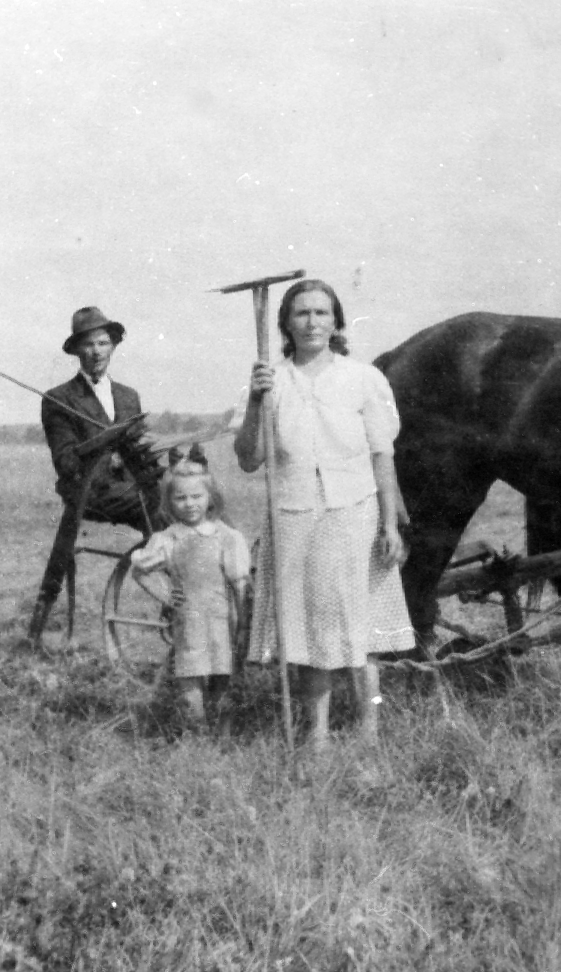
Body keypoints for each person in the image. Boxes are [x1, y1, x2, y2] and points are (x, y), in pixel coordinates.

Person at [233, 278, 414, 751]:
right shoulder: (271, 381)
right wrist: (256, 400)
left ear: (336, 321)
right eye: (301, 314)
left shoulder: (362, 378)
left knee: (360, 630)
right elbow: (249, 457)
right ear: (285, 325)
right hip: (294, 516)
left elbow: (382, 455)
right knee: (310, 633)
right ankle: (317, 735)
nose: (312, 322)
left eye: (321, 313)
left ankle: (369, 731)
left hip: (353, 514)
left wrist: (390, 524)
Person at [28, 306, 158, 648]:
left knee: (184, 496)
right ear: (76, 351)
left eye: (103, 343)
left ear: (113, 345)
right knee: (161, 511)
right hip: (90, 493)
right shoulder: (59, 400)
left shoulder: (129, 396)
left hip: (131, 487)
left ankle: (183, 578)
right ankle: (174, 582)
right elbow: (66, 462)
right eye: (88, 344)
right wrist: (108, 438)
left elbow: (138, 454)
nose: (97, 351)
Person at [128, 458, 252, 727]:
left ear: (210, 497)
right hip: (189, 621)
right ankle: (197, 732)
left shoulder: (226, 537)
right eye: (180, 498)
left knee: (223, 674)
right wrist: (166, 595)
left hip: (222, 620)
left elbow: (240, 583)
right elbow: (140, 571)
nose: (189, 504)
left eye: (197, 496)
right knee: (190, 676)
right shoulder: (169, 538)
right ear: (169, 502)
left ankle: (223, 733)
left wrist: (242, 623)